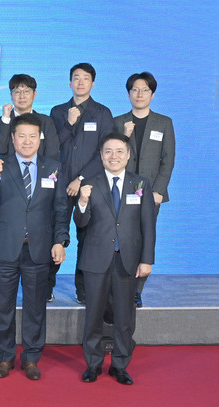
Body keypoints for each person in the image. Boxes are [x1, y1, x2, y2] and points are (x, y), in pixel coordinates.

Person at [0, 113, 70, 380]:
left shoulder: (53, 167)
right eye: (22, 136)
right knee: (3, 306)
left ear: (40, 138)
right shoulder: (0, 166)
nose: (27, 141)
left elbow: (61, 209)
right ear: (13, 138)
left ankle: (31, 357)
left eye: (33, 136)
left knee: (35, 307)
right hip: (5, 247)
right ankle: (5, 357)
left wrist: (60, 241)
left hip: (39, 248)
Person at [75, 133, 155, 385]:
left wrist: (146, 260)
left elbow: (148, 225)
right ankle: (93, 364)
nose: (114, 156)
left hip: (127, 261)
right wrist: (82, 202)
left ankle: (120, 364)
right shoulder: (90, 183)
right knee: (93, 316)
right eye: (108, 151)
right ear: (101, 155)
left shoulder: (141, 183)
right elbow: (81, 223)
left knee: (124, 317)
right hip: (96, 260)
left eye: (119, 151)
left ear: (128, 155)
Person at [50, 63, 114, 304]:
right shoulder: (58, 112)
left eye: (85, 78)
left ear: (93, 84)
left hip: (89, 186)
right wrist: (68, 124)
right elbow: (51, 147)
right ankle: (47, 285)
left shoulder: (102, 113)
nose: (80, 82)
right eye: (76, 78)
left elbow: (105, 152)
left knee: (87, 239)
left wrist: (81, 179)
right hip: (59, 184)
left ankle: (83, 289)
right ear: (69, 82)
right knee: (54, 235)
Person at [113, 72, 175, 307]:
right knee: (119, 237)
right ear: (128, 93)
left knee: (144, 237)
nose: (139, 94)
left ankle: (136, 290)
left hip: (150, 193)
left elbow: (168, 160)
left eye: (144, 90)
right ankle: (118, 285)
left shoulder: (164, 122)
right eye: (135, 90)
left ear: (152, 94)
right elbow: (111, 154)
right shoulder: (118, 122)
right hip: (120, 190)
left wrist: (158, 190)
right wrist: (124, 136)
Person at [0, 74, 59, 161]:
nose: (22, 96)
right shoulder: (2, 121)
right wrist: (6, 119)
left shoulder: (46, 121)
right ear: (11, 95)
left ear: (34, 94)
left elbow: (52, 153)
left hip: (40, 169)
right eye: (17, 92)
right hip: (9, 169)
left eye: (26, 92)